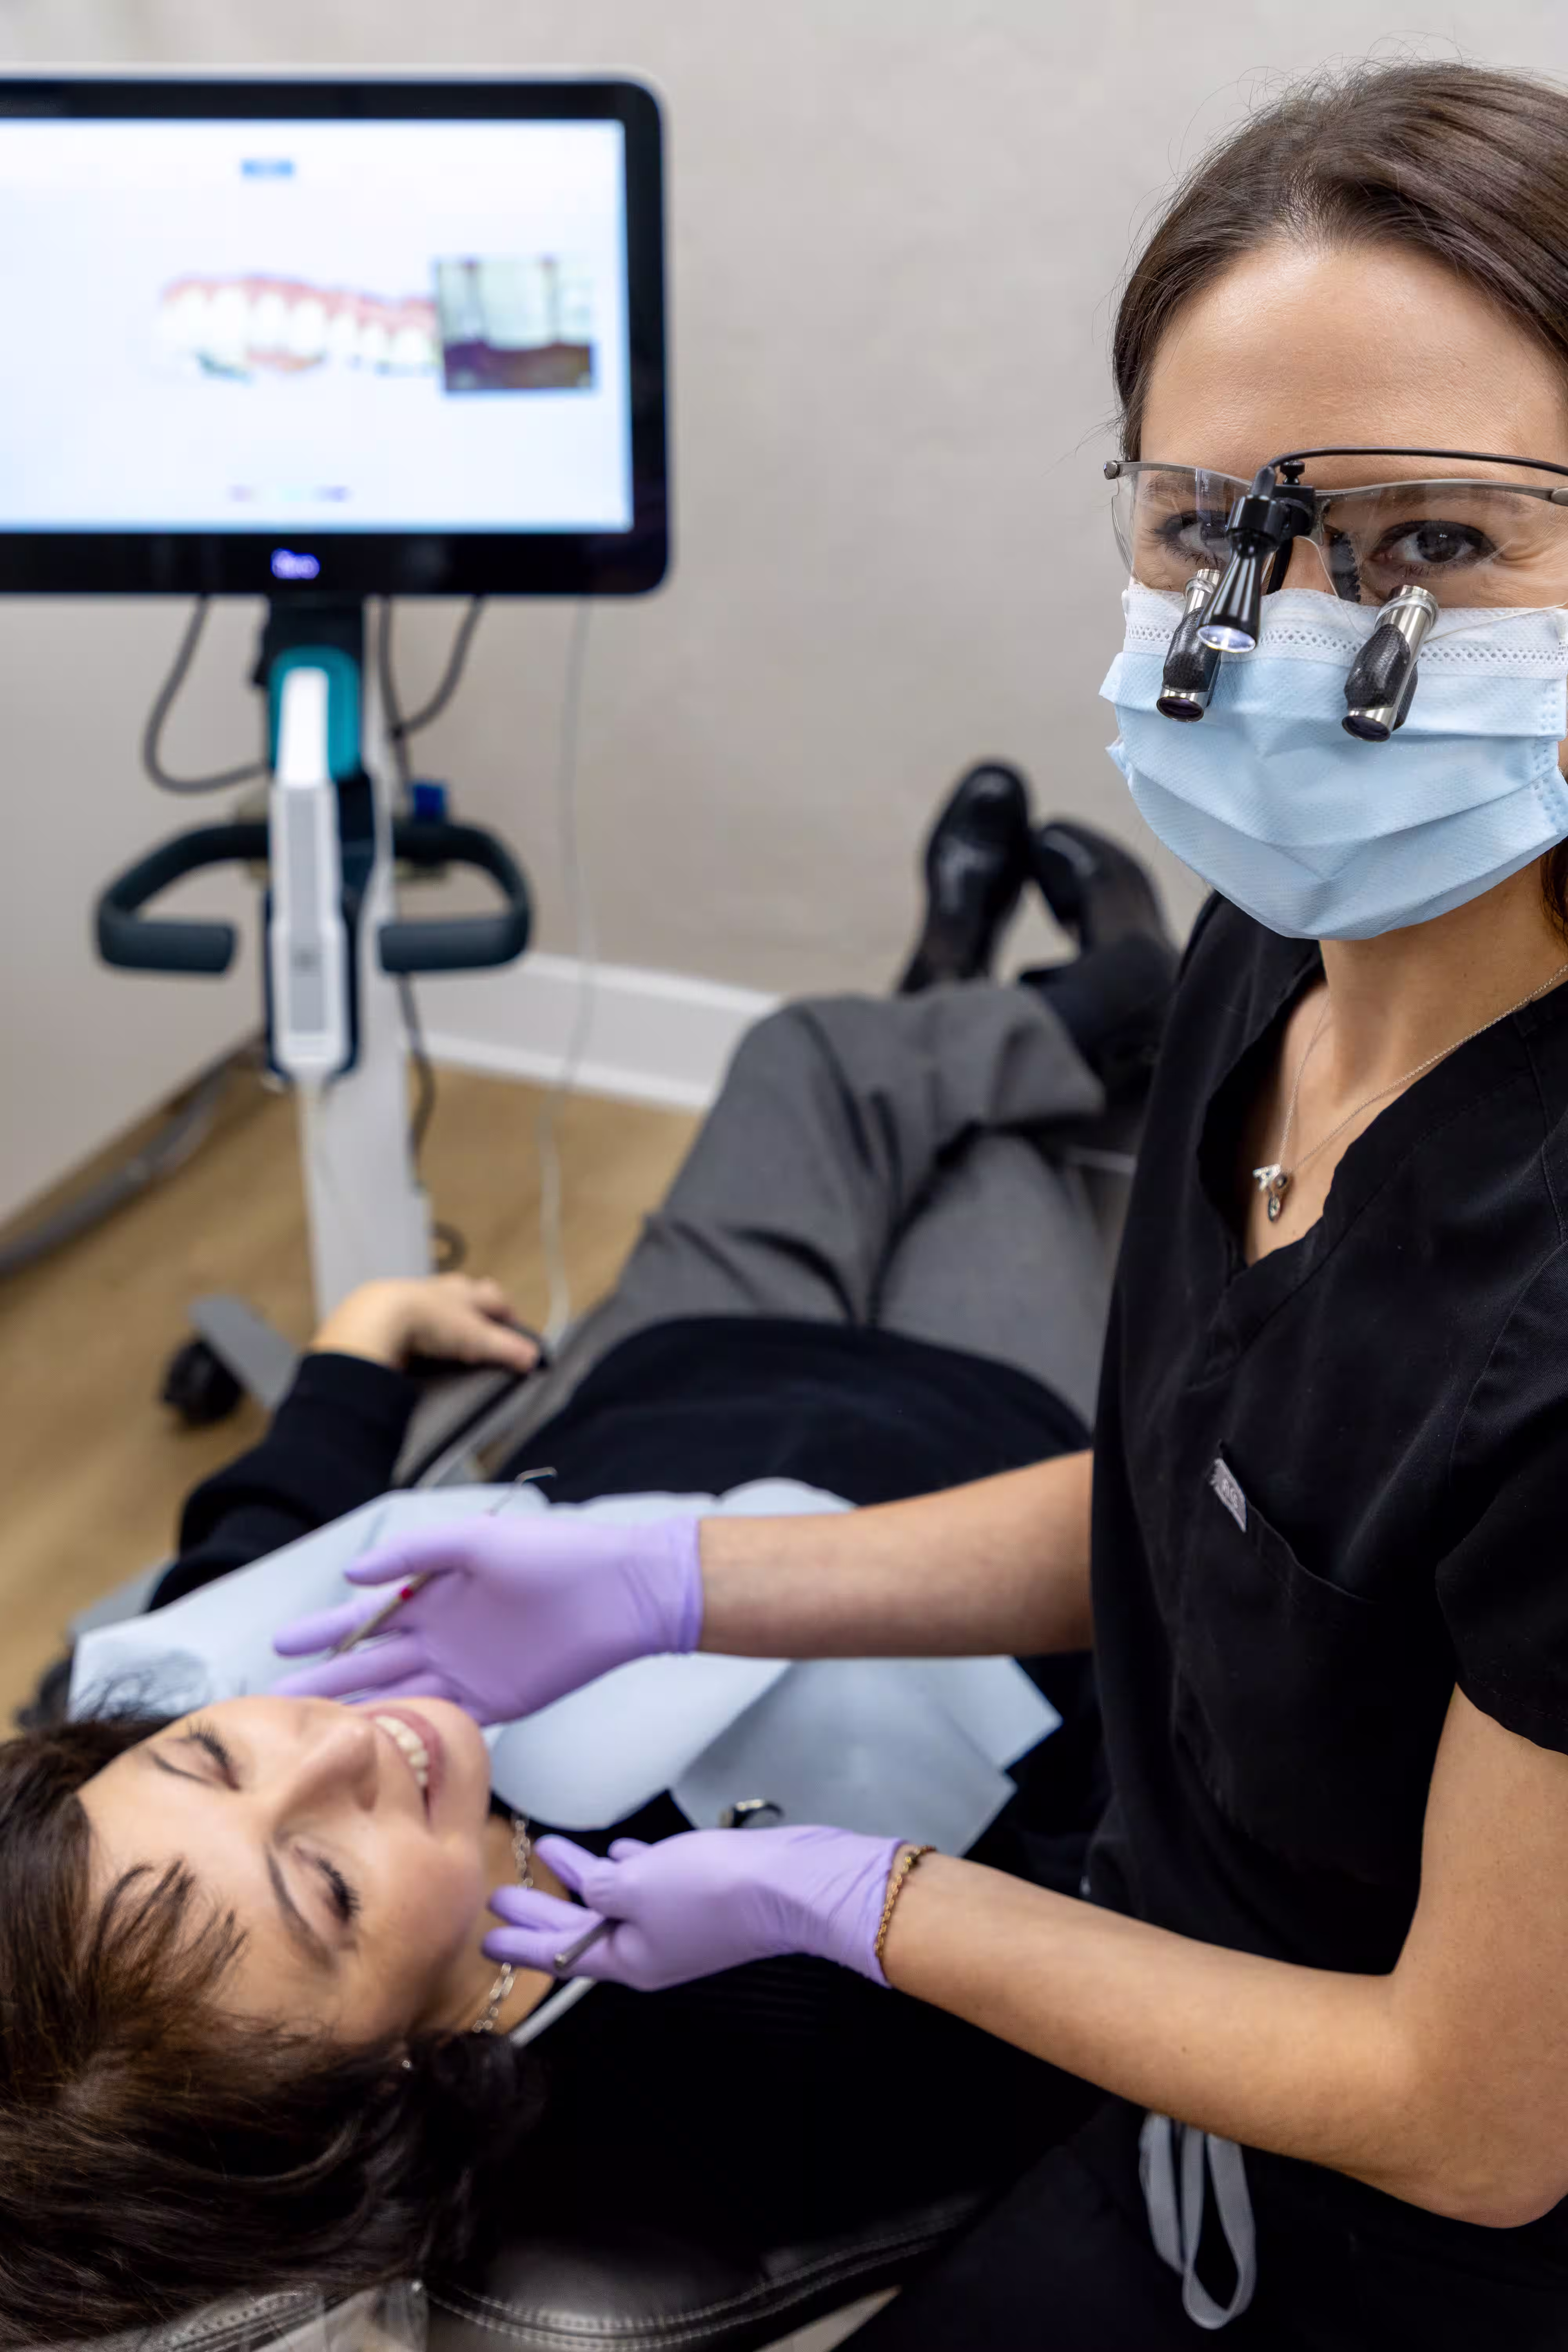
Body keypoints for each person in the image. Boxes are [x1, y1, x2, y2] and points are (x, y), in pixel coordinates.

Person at [274, 57, 1568, 2350]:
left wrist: (863, 1906)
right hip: (1162, 1975)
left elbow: (1473, 2119)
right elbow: (1224, 1516)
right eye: (1211, 528)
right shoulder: (1293, 941)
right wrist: (669, 1582)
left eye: (1438, 545)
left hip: (1396, 2219)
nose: (1288, 644)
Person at [0, 766, 1168, 2346]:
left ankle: (983, 996)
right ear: (390, 2083)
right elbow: (1132, 1899)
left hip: (681, 1368)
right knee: (979, 1147)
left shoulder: (177, 1693)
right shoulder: (729, 2068)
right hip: (1001, 1444)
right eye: (326, 1885)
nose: (333, 1746)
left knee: (805, 1058)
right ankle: (1087, 993)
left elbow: (253, 1543)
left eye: (209, 1758)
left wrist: (355, 1352)